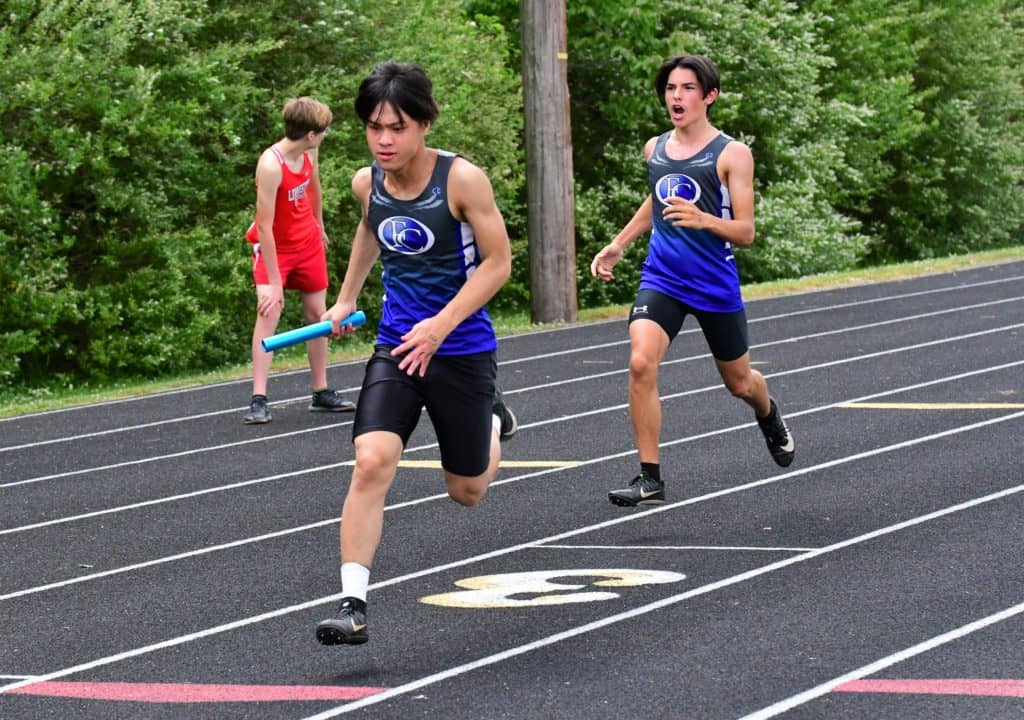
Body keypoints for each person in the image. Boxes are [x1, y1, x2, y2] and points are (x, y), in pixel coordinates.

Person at [314, 61, 517, 645]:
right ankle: (353, 604)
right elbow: (371, 228)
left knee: (467, 491)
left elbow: (499, 264)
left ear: (425, 124)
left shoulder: (462, 181)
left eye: (397, 127)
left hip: (460, 347)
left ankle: (494, 421)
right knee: (371, 460)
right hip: (398, 345)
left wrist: (441, 326)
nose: (384, 140)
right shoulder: (367, 183)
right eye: (374, 127)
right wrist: (345, 298)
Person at [590, 54, 795, 508]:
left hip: (713, 283)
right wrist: (619, 243)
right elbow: (656, 199)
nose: (676, 97)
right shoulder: (655, 149)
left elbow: (746, 232)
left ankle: (767, 411)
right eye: (670, 89)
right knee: (641, 362)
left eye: (687, 88)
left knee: (739, 383)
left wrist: (704, 219)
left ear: (709, 96)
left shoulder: (732, 154)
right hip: (662, 277)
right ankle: (650, 478)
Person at [242, 96, 356, 424]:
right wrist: (275, 283)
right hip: (274, 247)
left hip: (307, 242)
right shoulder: (271, 164)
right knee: (269, 311)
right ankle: (259, 399)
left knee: (318, 315)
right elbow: (264, 225)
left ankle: (321, 392)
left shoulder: (309, 152)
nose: (325, 136)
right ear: (309, 134)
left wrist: (319, 225)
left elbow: (313, 188)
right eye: (324, 131)